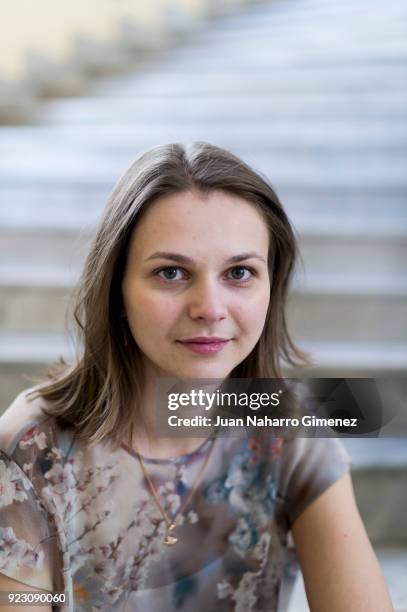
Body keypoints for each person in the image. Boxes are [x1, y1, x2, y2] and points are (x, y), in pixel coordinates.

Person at [0, 142, 393, 611]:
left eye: (240, 272)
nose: (209, 309)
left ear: (272, 286)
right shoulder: (33, 445)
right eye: (170, 272)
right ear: (116, 290)